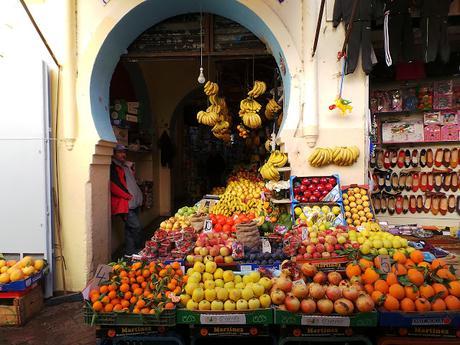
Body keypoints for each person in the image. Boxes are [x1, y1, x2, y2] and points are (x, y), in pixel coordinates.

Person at [110, 144, 144, 255]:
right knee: (136, 227)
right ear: (113, 154)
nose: (123, 154)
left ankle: (129, 251)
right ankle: (141, 248)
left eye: (124, 152)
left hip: (134, 203)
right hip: (126, 204)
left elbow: (131, 182)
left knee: (130, 229)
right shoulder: (113, 167)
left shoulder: (126, 166)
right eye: (119, 152)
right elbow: (113, 185)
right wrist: (127, 196)